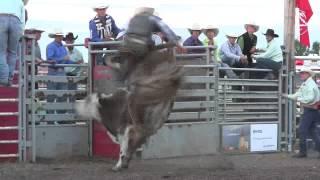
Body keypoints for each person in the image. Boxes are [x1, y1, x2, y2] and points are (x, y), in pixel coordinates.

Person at [283, 67, 320, 158]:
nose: (301, 74)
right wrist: (287, 96)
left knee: (303, 130)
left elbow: (309, 99)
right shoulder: (307, 84)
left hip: (310, 109)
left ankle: (303, 152)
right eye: (301, 73)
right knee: (312, 131)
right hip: (312, 110)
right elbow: (298, 95)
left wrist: (299, 99)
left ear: (308, 74)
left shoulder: (309, 85)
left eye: (303, 73)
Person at [46, 29, 73, 114]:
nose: (60, 37)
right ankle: (50, 119)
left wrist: (75, 63)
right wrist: (63, 59)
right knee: (51, 96)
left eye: (61, 36)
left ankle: (60, 118)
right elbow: (50, 60)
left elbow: (66, 61)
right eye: (59, 36)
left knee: (62, 96)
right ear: (55, 36)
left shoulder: (62, 47)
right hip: (54, 72)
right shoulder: (51, 46)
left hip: (61, 72)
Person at [0, 0, 25, 86]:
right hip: (16, 21)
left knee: (1, 52)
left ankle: (3, 78)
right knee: (13, 53)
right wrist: (22, 32)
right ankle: (9, 79)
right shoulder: (20, 2)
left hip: (1, 19)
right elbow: (22, 20)